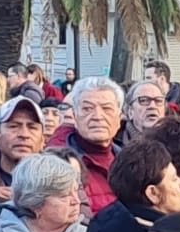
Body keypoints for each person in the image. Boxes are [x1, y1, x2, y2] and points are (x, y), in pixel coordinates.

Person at [48, 76, 125, 216]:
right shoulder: (57, 164)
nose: (98, 116)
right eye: (87, 108)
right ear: (74, 116)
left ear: (119, 118)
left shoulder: (128, 162)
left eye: (107, 109)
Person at [0, 93, 48, 192]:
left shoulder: (57, 183)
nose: (24, 134)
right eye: (14, 126)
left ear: (43, 140)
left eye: (32, 127)